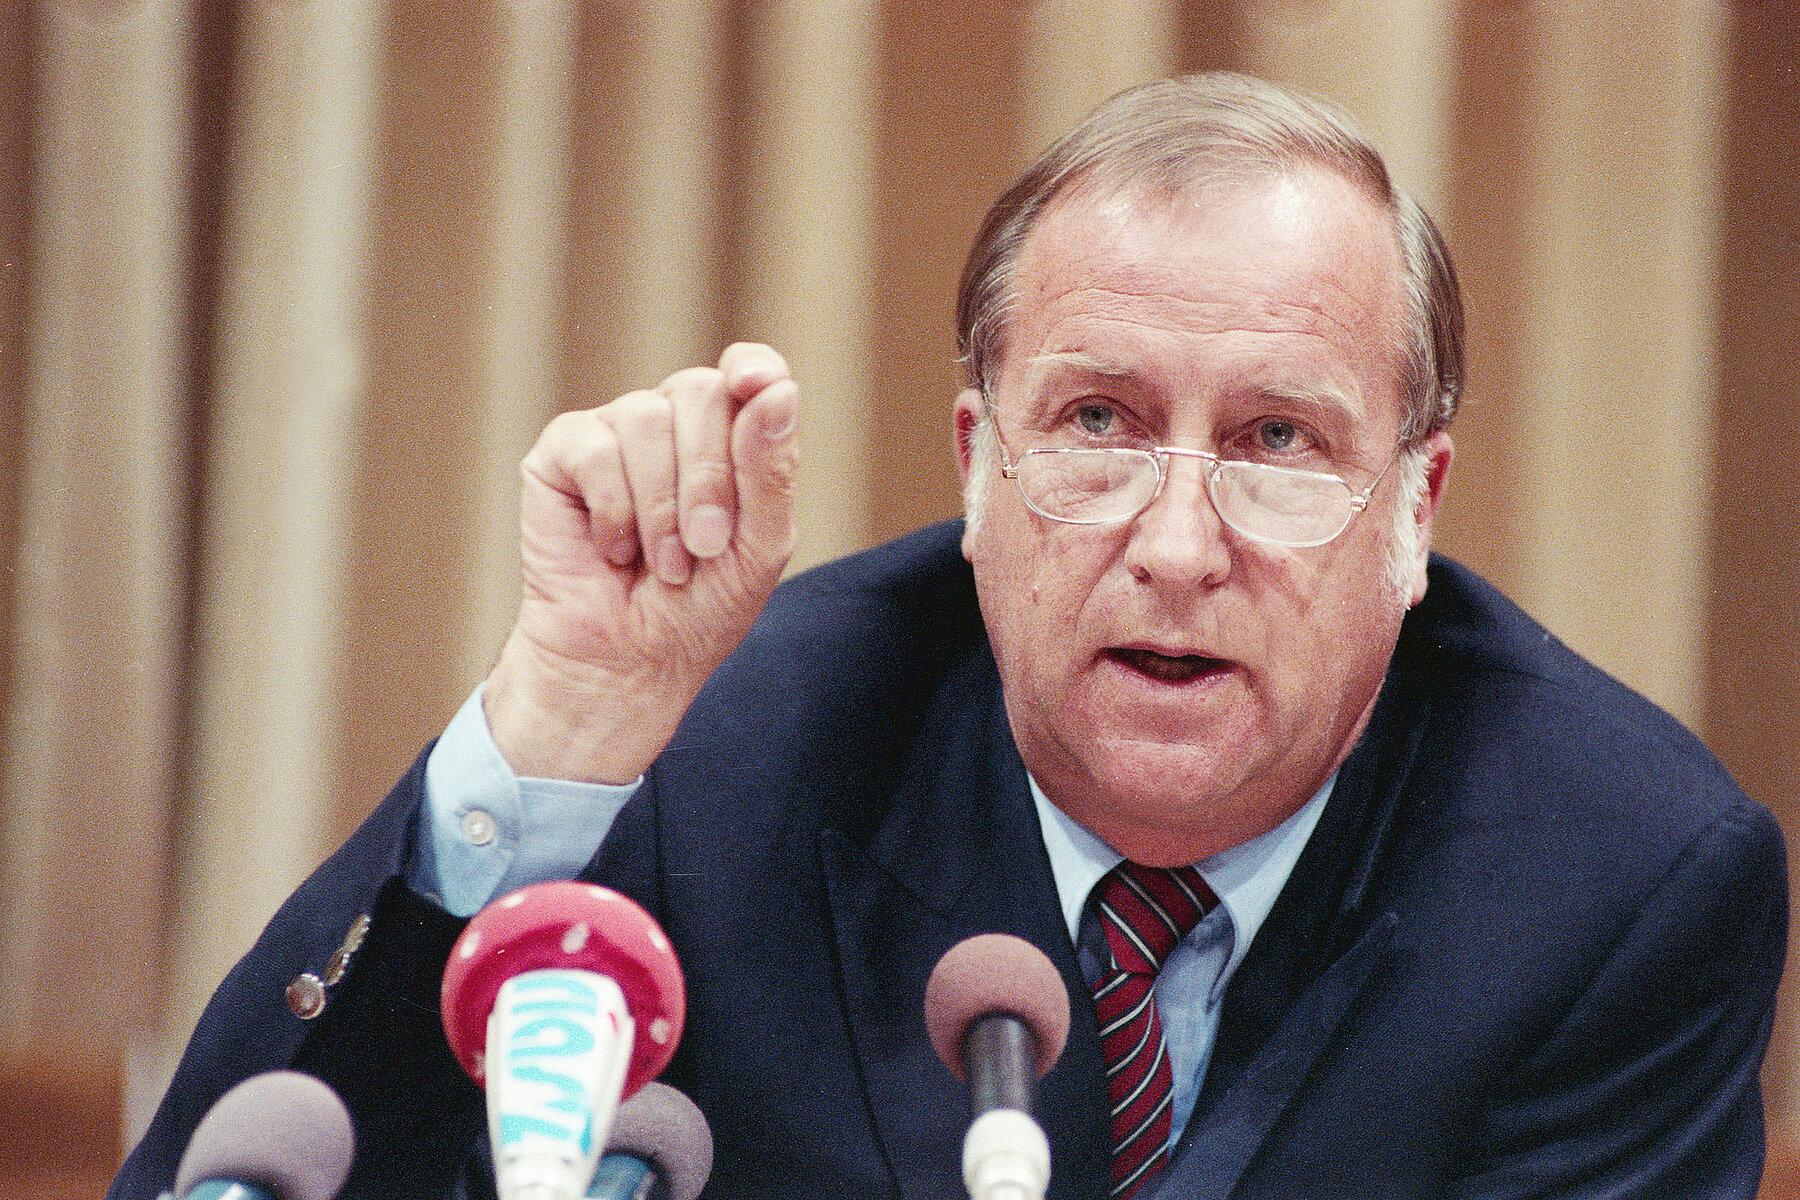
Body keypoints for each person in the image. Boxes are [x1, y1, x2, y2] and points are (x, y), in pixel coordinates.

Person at [113, 71, 1785, 1200]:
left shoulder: (1622, 881)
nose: (1179, 547)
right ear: (982, 468)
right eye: (1102, 423)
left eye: (1281, 443)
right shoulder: (734, 744)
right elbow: (245, 1175)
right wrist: (558, 733)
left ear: (1415, 510)